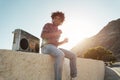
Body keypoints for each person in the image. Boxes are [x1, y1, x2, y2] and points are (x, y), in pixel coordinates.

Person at [40, 11, 77, 80]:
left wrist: (63, 41)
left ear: (61, 22)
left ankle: (73, 77)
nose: (56, 20)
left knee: (73, 56)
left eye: (59, 19)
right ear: (52, 19)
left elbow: (55, 44)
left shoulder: (58, 30)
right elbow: (43, 35)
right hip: (46, 47)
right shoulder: (48, 25)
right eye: (55, 18)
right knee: (61, 54)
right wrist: (56, 33)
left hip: (54, 47)